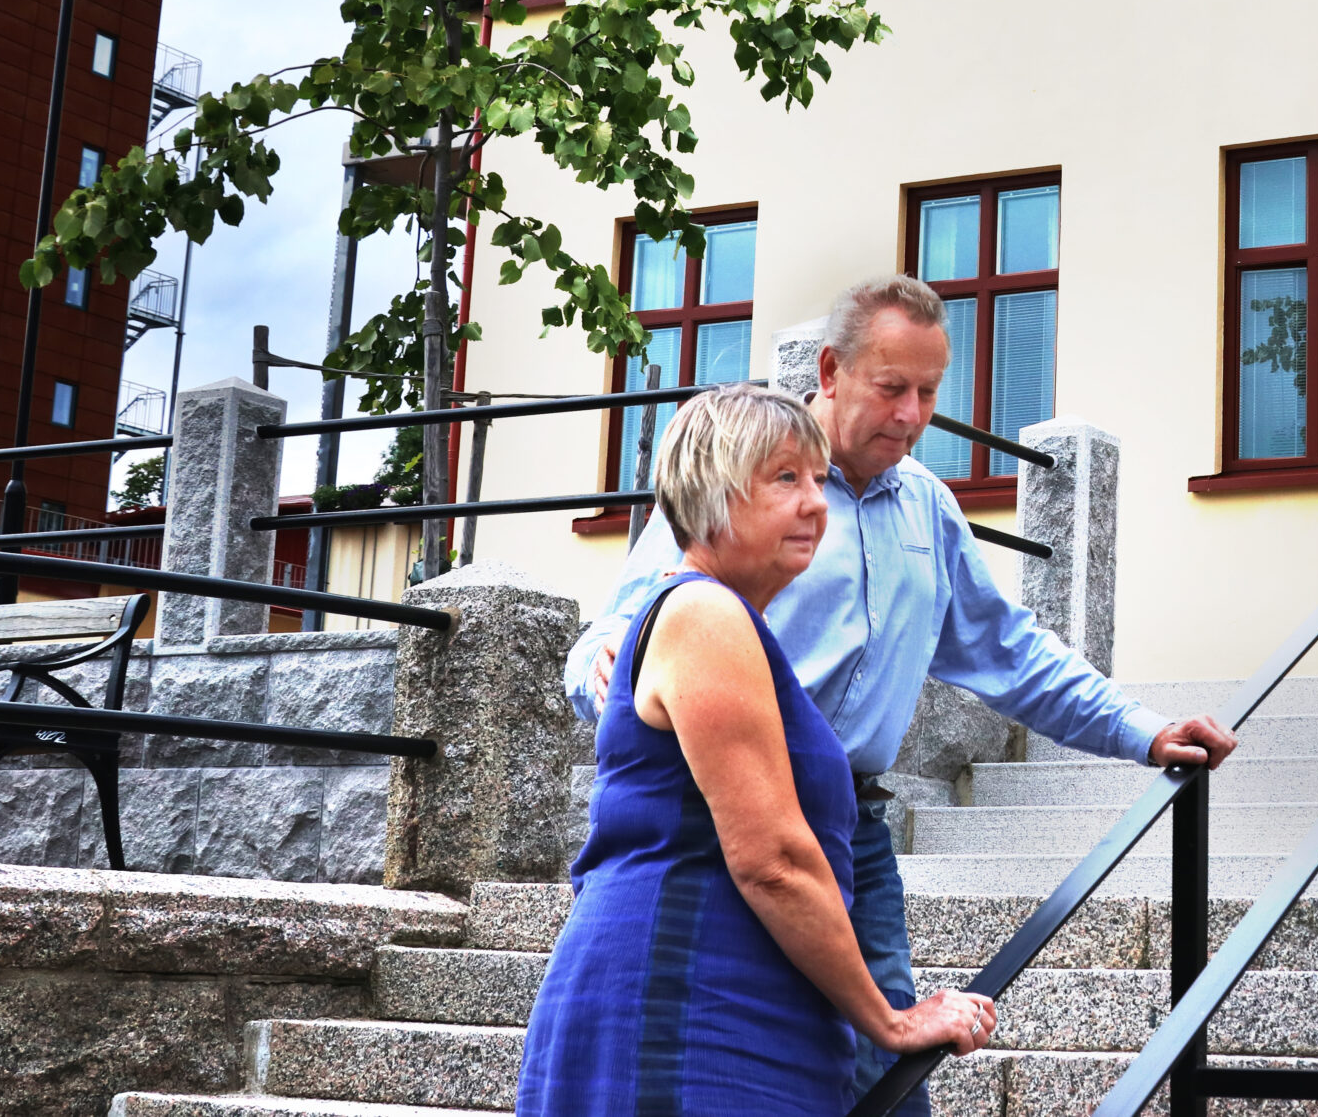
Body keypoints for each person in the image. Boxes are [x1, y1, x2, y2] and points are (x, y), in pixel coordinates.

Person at [567, 274, 1238, 1117]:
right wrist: (610, 673)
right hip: (718, 822)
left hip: (850, 827)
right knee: (731, 1064)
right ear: (832, 370)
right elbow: (618, 641)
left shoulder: (927, 506)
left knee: (881, 1082)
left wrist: (1142, 730)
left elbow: (1009, 650)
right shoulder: (738, 481)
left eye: (929, 391)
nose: (914, 414)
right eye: (893, 388)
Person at [518, 384, 998, 1116]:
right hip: (685, 1005)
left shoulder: (724, 619)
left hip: (728, 994)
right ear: (712, 493)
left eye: (816, 478)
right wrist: (890, 1018)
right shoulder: (704, 614)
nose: (816, 502)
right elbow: (772, 859)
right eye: (786, 478)